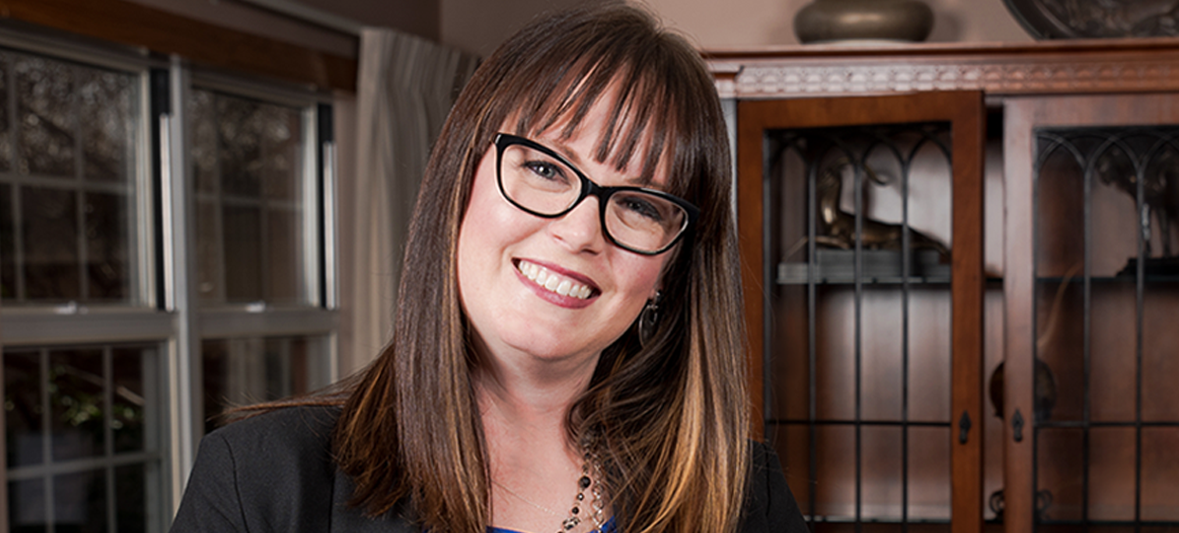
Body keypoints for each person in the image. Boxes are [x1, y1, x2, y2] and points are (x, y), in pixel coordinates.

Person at [168, 4, 808, 533]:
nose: (580, 231)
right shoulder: (259, 480)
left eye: (640, 204)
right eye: (544, 168)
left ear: (671, 265)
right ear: (459, 179)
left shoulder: (747, 500)